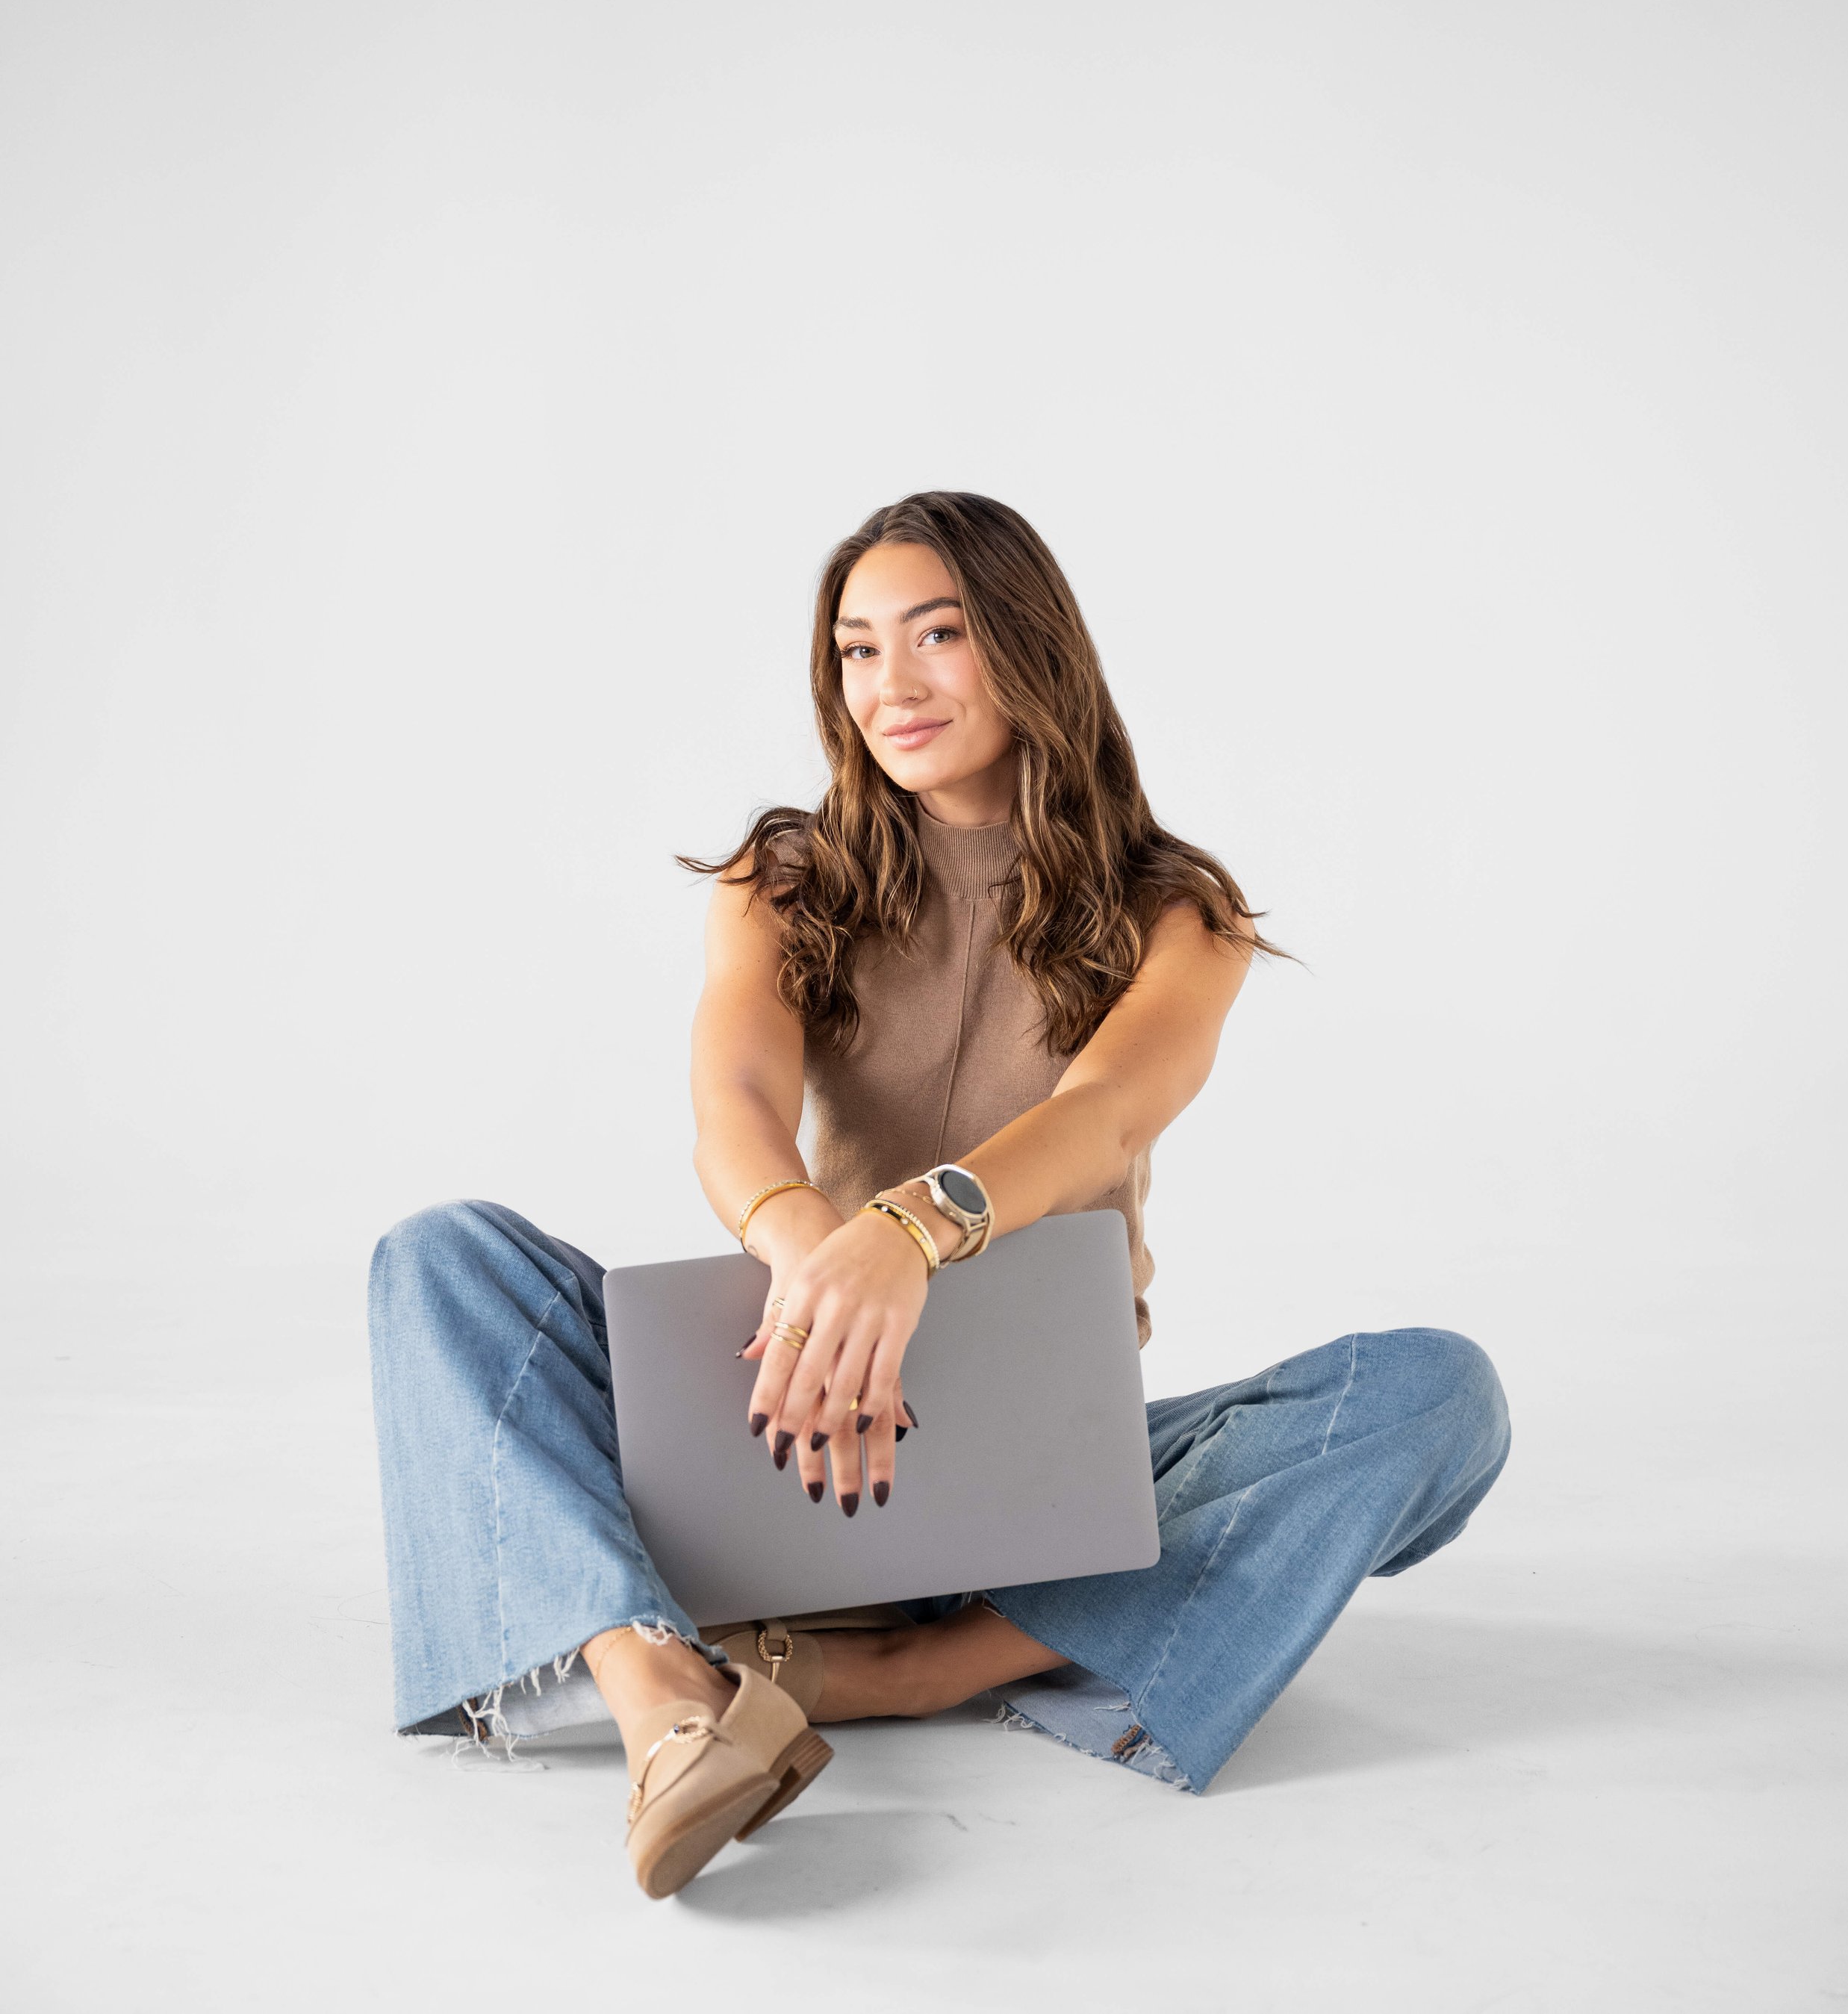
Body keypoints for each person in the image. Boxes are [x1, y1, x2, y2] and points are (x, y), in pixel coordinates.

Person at [367, 490, 1511, 1899]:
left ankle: (898, 1671)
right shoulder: (783, 878)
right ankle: (661, 1696)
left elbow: (1103, 1112)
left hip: (1040, 1481)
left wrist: (912, 1232)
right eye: (857, 650)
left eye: (938, 635)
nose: (890, 686)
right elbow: (734, 1108)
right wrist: (814, 1249)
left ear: (1029, 645)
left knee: (1441, 1393)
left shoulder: (1177, 912)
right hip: (794, 1419)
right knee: (440, 1260)